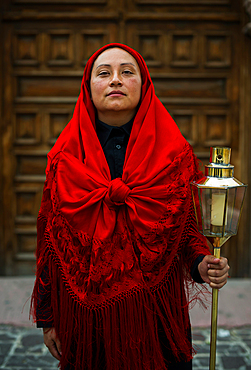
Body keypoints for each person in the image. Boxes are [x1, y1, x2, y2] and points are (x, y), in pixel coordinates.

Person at [31, 43, 229, 370]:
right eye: (104, 73)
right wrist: (48, 318)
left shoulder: (175, 155)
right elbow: (49, 241)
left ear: (144, 83)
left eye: (127, 72)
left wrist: (202, 263)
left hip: (157, 316)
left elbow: (187, 230)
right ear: (88, 86)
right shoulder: (64, 158)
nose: (115, 80)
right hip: (85, 318)